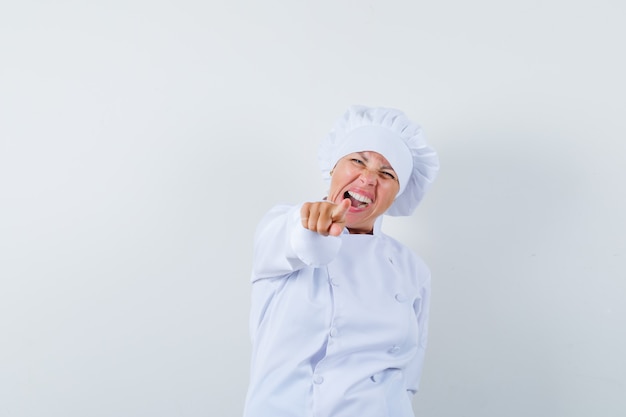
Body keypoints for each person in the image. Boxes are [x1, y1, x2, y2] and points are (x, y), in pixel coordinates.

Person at [243, 105, 439, 417]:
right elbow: (306, 242)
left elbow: (407, 379)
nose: (368, 178)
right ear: (333, 168)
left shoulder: (412, 270)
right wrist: (314, 224)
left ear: (398, 193)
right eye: (357, 161)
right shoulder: (282, 227)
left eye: (387, 173)